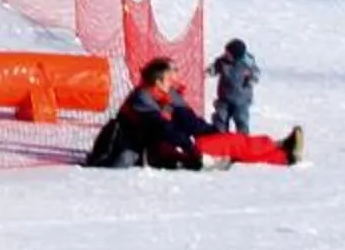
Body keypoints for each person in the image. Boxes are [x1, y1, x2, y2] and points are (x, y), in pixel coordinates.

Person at [105, 58, 300, 168]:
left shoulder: (167, 94)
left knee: (229, 142)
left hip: (177, 144)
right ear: (158, 80)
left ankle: (281, 153)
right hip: (158, 151)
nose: (175, 77)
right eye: (171, 73)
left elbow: (188, 120)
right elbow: (161, 128)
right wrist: (189, 147)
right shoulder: (143, 97)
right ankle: (281, 151)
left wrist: (210, 131)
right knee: (231, 145)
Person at [208, 39, 261, 134]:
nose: (226, 55)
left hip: (241, 100)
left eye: (228, 54)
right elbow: (215, 67)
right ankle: (220, 137)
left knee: (241, 119)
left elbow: (256, 73)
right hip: (224, 97)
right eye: (226, 52)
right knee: (220, 118)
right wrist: (210, 71)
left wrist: (251, 78)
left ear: (237, 56)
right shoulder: (223, 61)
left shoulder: (248, 63)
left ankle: (242, 139)